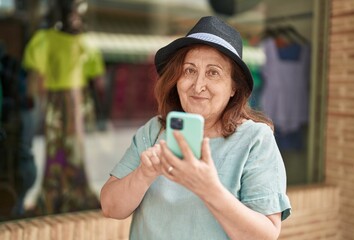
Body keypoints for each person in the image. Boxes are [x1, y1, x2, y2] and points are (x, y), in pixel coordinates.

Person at [100, 16, 291, 239]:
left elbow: (265, 235)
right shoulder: (154, 132)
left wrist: (209, 189)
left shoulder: (255, 140)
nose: (198, 86)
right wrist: (144, 174)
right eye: (189, 70)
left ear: (233, 88)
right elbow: (110, 207)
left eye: (213, 72)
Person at [22, 0, 104, 215]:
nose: (75, 16)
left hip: (74, 102)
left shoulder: (82, 42)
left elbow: (95, 78)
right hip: (59, 102)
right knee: (56, 146)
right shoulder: (47, 40)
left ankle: (70, 193)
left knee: (72, 147)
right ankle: (59, 192)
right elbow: (36, 77)